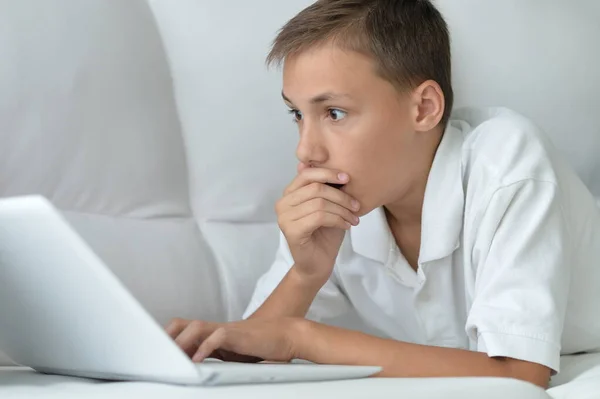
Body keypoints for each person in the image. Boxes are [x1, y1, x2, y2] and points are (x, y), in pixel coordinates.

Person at [165, 0, 600, 388]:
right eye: (297, 114)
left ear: (424, 108)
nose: (305, 150)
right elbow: (257, 345)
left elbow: (520, 375)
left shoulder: (506, 163)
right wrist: (304, 275)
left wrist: (304, 337)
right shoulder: (346, 192)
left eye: (334, 112)